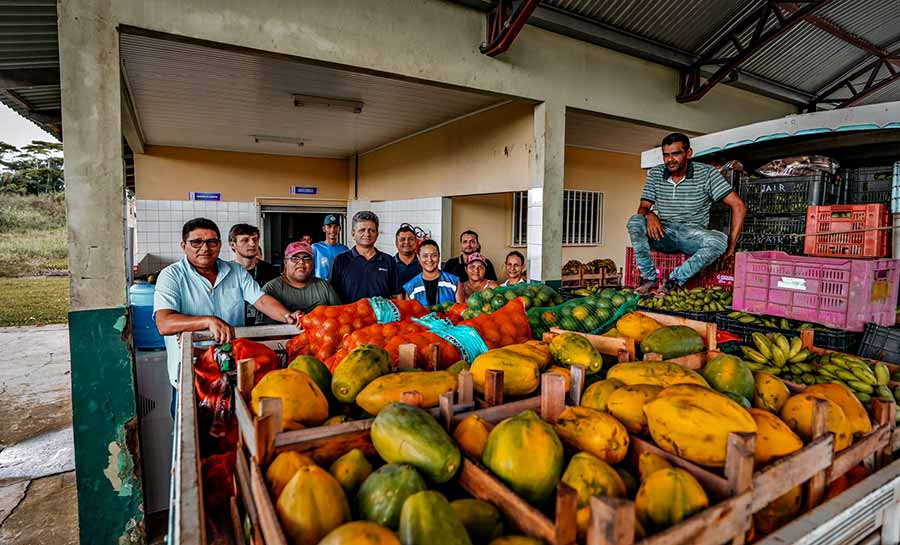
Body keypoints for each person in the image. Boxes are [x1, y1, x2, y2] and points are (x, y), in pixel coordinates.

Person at [154, 218, 302, 412]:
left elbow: (261, 300)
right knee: (194, 433)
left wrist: (288, 316)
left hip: (232, 371)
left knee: (232, 426)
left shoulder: (236, 271)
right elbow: (164, 322)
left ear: (220, 244)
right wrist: (207, 321)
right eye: (196, 242)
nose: (204, 248)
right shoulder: (171, 275)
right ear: (184, 245)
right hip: (193, 375)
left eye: (211, 242)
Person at [627, 133, 746, 295]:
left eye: (676, 154)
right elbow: (643, 208)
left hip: (692, 235)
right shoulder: (656, 174)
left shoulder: (707, 174)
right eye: (666, 155)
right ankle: (648, 277)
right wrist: (649, 215)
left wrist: (731, 247)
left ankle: (673, 281)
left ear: (688, 153)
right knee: (635, 221)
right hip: (663, 234)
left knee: (718, 241)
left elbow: (739, 206)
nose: (670, 159)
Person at [257, 241, 341, 323]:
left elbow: (340, 318)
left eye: (307, 258)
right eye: (295, 258)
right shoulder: (270, 289)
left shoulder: (324, 287)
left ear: (312, 263)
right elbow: (262, 330)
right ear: (285, 262)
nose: (301, 262)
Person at [329, 210, 403, 302]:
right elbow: (331, 295)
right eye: (362, 230)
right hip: (349, 315)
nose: (367, 234)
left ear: (377, 234)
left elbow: (398, 295)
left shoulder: (388, 261)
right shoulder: (340, 260)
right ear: (353, 234)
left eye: (371, 230)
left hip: (381, 316)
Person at [228, 223, 280, 323]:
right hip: (235, 327)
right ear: (233, 245)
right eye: (245, 240)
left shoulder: (272, 271)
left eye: (255, 239)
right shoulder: (226, 272)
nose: (252, 244)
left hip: (264, 328)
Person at [403, 239, 459, 306]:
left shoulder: (454, 282)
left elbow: (461, 312)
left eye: (434, 255)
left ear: (439, 256)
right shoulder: (410, 287)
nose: (429, 259)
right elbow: (409, 314)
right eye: (425, 256)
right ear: (418, 257)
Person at [312, 215, 349, 280]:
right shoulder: (316, 248)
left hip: (339, 288)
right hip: (321, 287)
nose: (332, 230)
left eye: (335, 227)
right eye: (329, 227)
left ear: (339, 229)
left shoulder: (344, 249)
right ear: (324, 229)